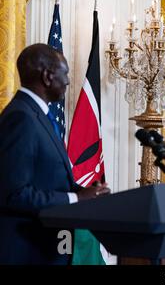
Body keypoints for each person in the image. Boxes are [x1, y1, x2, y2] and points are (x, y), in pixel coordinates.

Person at [0, 44, 110, 265]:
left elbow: (46, 180)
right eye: (65, 73)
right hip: (27, 253)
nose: (68, 81)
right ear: (48, 76)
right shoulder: (21, 118)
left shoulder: (38, 114)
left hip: (47, 248)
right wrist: (76, 198)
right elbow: (13, 193)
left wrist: (86, 192)